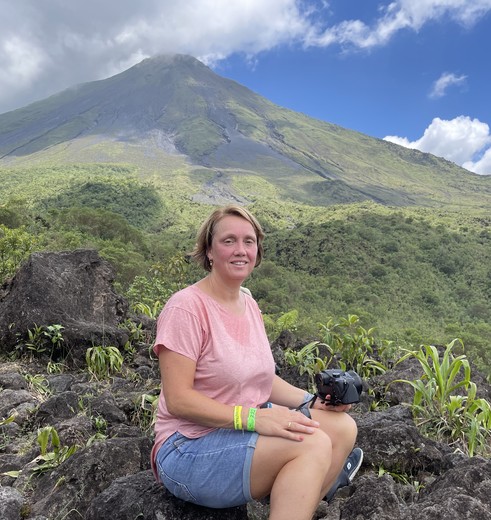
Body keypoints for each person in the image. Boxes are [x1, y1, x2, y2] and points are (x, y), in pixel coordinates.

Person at [150, 205, 363, 520]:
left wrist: (312, 400)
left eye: (248, 242)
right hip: (189, 447)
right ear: (208, 250)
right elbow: (178, 400)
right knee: (312, 443)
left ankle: (293, 506)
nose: (240, 250)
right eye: (229, 241)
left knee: (342, 429)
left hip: (242, 432)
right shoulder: (186, 308)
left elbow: (260, 378)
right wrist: (253, 419)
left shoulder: (247, 303)